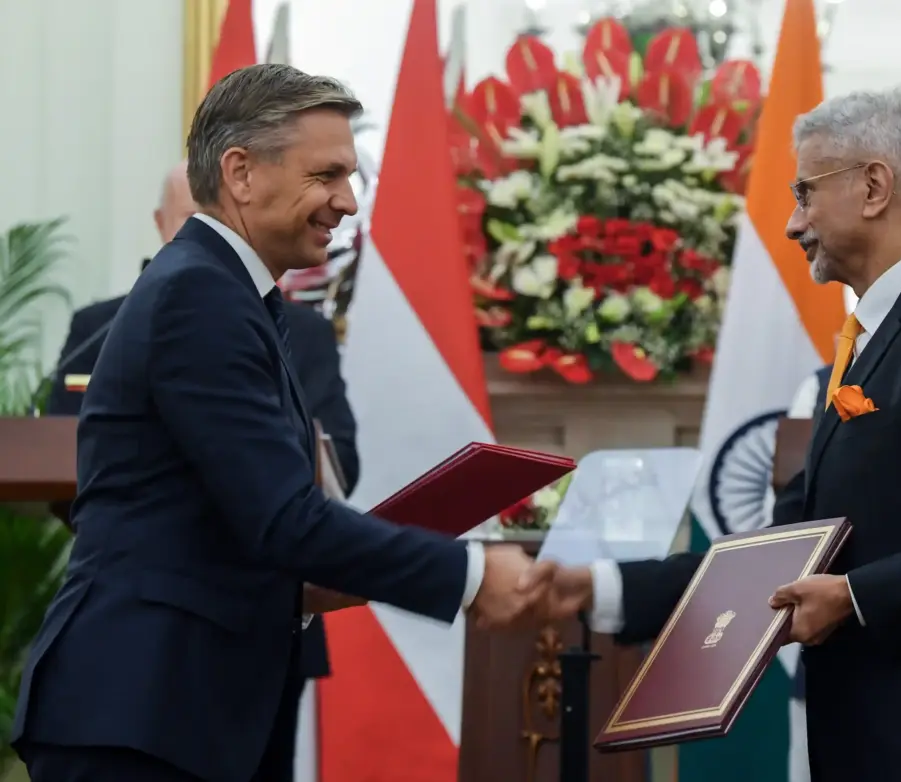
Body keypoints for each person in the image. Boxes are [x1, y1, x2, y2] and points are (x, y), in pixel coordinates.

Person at [11, 63, 552, 782]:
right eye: (326, 175)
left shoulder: (229, 293)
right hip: (141, 713)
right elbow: (283, 520)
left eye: (349, 177)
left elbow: (225, 524)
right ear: (240, 173)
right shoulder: (198, 294)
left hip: (180, 712)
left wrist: (317, 581)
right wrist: (471, 575)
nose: (348, 202)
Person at [538, 86, 901, 781]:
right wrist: (601, 587)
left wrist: (856, 596)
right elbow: (782, 551)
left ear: (874, 188)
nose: (792, 223)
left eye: (805, 192)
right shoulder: (877, 338)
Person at [42, 160, 362, 782]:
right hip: (139, 629)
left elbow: (341, 457)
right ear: (161, 224)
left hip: (269, 622)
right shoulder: (100, 327)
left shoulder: (300, 330)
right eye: (195, 219)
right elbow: (68, 449)